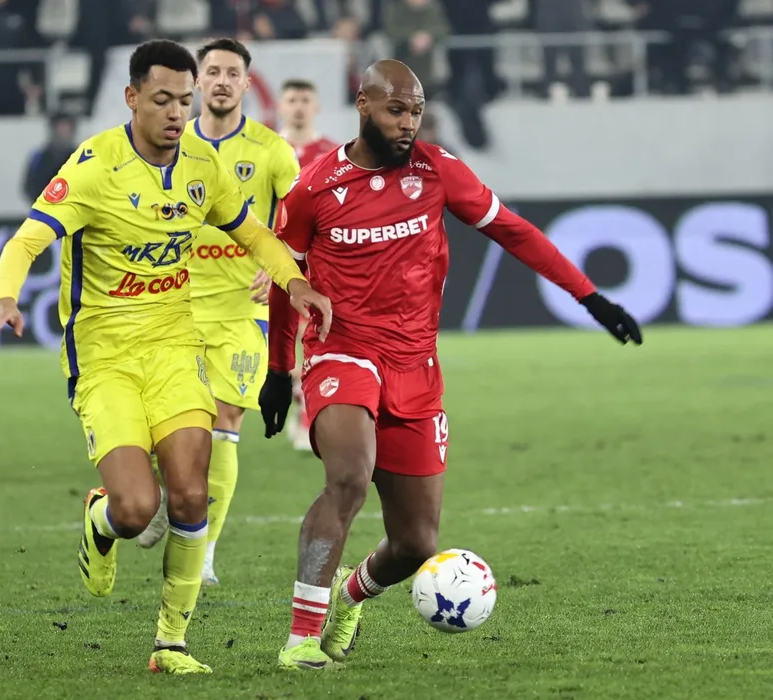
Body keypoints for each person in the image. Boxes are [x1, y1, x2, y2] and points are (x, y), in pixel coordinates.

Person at [258, 60, 643, 670]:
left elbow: (513, 231)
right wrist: (280, 371)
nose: (407, 123)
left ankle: (349, 596)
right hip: (343, 351)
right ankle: (301, 638)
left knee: (415, 543)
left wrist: (589, 296)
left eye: (415, 111)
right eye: (395, 110)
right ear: (363, 105)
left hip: (416, 366)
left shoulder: (437, 170)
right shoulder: (314, 189)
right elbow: (287, 285)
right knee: (349, 477)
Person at [0, 40, 331, 675]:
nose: (176, 113)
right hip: (105, 356)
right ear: (132, 97)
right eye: (162, 99)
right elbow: (27, 240)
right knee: (138, 509)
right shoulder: (94, 166)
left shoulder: (202, 164)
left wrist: (294, 282)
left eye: (184, 101)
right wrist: (5, 296)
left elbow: (252, 231)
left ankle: (171, 643)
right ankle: (101, 521)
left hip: (174, 346)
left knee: (191, 496)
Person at [135, 38, 302, 587]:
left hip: (241, 311)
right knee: (169, 424)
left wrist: (282, 259)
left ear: (247, 84)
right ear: (197, 82)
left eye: (233, 72)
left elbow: (305, 219)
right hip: (173, 304)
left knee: (226, 421)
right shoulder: (169, 144)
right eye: (213, 72)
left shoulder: (273, 151)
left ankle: (203, 549)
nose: (223, 81)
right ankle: (168, 496)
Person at [275, 78, 338, 451]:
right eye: (292, 99)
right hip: (272, 259)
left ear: (315, 107)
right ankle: (297, 402)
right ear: (281, 106)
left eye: (305, 99)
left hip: (316, 260)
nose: (298, 106)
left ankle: (305, 414)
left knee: (311, 336)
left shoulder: (331, 153)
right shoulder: (267, 150)